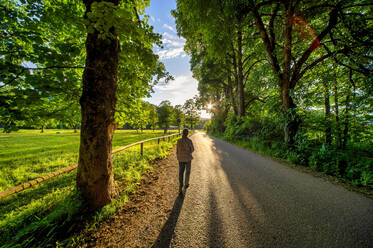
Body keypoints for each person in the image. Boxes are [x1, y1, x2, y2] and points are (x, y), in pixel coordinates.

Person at [176, 129, 194, 194]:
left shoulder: (178, 141)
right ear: (187, 134)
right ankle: (186, 183)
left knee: (181, 172)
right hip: (188, 158)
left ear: (182, 133)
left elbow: (177, 150)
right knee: (187, 171)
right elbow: (192, 150)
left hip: (180, 159)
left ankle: (180, 185)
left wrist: (178, 156)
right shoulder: (189, 141)